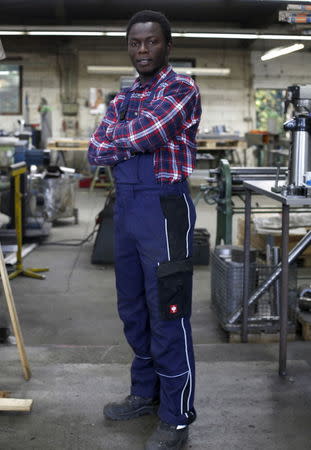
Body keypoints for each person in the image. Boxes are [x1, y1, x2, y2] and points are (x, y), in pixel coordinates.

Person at [88, 10, 201, 450]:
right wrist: (119, 138)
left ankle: (176, 416)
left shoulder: (181, 88)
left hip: (164, 209)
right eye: (135, 43)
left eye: (151, 42)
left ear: (167, 46)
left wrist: (119, 138)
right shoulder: (125, 94)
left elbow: (149, 133)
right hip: (129, 208)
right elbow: (96, 148)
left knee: (168, 314)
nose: (142, 50)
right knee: (133, 309)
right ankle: (145, 393)